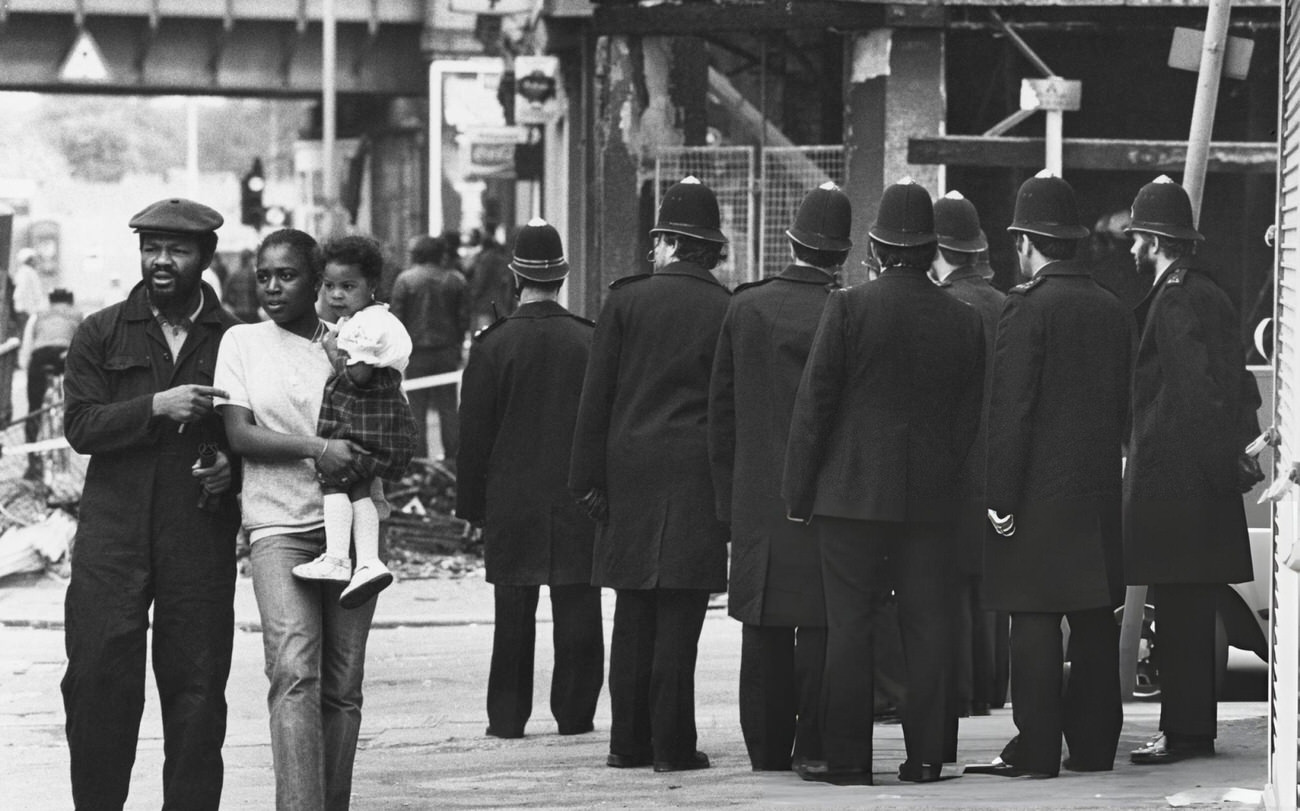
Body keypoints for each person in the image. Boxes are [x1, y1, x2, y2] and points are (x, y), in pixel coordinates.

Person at [782, 178, 984, 786]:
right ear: (932, 250)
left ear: (874, 246)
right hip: (931, 503)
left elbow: (815, 406)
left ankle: (847, 761)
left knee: (851, 627)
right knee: (928, 627)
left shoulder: (847, 308)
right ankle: (925, 758)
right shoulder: (964, 320)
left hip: (850, 498)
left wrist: (799, 495)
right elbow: (970, 419)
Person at [61, 197, 242, 810]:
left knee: (196, 690)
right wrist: (155, 407)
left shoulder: (238, 339)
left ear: (205, 258)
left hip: (196, 530)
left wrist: (228, 469)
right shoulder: (101, 331)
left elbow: (258, 430)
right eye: (151, 248)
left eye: (177, 250)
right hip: (112, 535)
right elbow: (81, 426)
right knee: (97, 681)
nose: (161, 261)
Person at [569, 176, 731, 773]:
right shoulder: (727, 308)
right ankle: (673, 746)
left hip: (627, 472)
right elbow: (728, 408)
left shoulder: (624, 302)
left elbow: (596, 400)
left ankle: (626, 742)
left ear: (666, 241)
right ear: (710, 247)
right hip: (694, 476)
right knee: (681, 618)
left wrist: (586, 481)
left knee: (632, 613)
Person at [973, 170, 1131, 779]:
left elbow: (1010, 411)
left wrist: (1000, 496)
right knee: (1093, 623)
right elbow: (1123, 410)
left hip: (1037, 496)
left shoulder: (1026, 310)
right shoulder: (1113, 309)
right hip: (1096, 493)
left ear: (1026, 242)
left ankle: (1037, 752)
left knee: (1034, 623)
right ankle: (1093, 750)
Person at [216, 228, 378, 810]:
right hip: (278, 527)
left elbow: (382, 423)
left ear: (315, 281)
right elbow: (239, 433)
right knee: (293, 672)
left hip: (353, 531)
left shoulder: (353, 343)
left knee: (342, 686)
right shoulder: (241, 342)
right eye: (264, 275)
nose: (273, 286)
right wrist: (318, 448)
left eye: (287, 275)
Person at [708, 181, 849, 772]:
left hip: (756, 494)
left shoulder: (746, 306)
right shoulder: (847, 310)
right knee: (819, 622)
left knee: (762, 626)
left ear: (790, 241)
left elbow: (721, 415)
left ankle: (765, 748)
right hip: (826, 495)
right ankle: (814, 745)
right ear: (842, 254)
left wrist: (726, 505)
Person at [1122, 176, 1263, 765]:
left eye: (1137, 239)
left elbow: (1192, 396)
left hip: (1178, 489)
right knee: (1191, 615)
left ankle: (1179, 734)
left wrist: (1207, 466)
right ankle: (1192, 730)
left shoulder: (1175, 298)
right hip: (1201, 489)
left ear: (1156, 241)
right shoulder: (1210, 292)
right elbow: (1234, 389)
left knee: (1179, 617)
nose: (1131, 250)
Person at [455, 218, 603, 740]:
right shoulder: (590, 339)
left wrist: (471, 508)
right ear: (561, 278)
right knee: (578, 604)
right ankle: (576, 714)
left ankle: (508, 717)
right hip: (576, 496)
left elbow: (472, 437)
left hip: (511, 498)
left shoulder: (493, 346)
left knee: (513, 610)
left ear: (515, 278)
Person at [291, 235, 418, 608]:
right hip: (380, 421)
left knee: (335, 480)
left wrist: (335, 353)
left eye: (348, 286)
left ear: (372, 285)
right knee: (360, 487)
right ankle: (368, 563)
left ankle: (336, 558)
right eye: (329, 286)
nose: (336, 295)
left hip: (364, 421)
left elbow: (358, 377)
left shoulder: (364, 326)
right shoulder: (376, 319)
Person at [929, 191, 1006, 753]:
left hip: (952, 464)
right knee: (991, 582)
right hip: (998, 459)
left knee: (949, 584)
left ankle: (959, 692)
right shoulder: (1007, 304)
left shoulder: (944, 310)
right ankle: (989, 688)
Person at [389, 234, 470, 464]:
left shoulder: (405, 280)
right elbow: (464, 317)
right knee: (448, 407)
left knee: (416, 408)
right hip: (446, 351)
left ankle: (419, 460)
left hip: (416, 353)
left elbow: (397, 318)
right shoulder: (456, 280)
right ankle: (453, 461)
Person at [20, 287, 82, 480]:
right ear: (70, 301)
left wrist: (25, 366)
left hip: (41, 357)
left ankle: (33, 465)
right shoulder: (78, 315)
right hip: (66, 357)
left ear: (50, 301)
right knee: (79, 403)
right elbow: (85, 343)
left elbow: (27, 346)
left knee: (34, 408)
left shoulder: (37, 316)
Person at [468, 224, 514, 332]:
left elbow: (479, 283)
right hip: (499, 305)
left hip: (485, 306)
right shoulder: (502, 259)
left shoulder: (485, 260)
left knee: (484, 338)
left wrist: (471, 297)